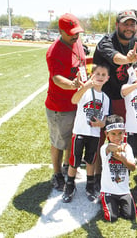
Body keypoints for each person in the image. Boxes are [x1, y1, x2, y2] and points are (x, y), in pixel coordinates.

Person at [92, 9, 137, 191]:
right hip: (101, 97)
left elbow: (132, 69)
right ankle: (96, 176)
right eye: (125, 24)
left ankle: (118, 172)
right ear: (117, 25)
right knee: (98, 138)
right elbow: (116, 58)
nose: (129, 28)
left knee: (119, 136)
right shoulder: (106, 42)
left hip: (121, 97)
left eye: (132, 24)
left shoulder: (136, 42)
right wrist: (127, 58)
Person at [45, 13, 86, 191]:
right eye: (71, 33)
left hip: (77, 103)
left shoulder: (76, 42)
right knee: (59, 142)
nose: (75, 36)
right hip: (60, 105)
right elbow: (56, 78)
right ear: (61, 31)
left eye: (77, 32)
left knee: (72, 140)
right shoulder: (54, 51)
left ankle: (66, 168)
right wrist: (73, 85)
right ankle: (56, 174)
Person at [62, 63, 111, 203]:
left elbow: (105, 117)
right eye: (97, 74)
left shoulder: (105, 98)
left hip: (94, 134)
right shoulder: (85, 91)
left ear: (107, 78)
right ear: (91, 76)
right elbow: (74, 100)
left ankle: (90, 186)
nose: (100, 77)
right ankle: (70, 186)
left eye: (103, 75)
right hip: (80, 131)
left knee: (90, 161)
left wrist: (101, 124)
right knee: (75, 161)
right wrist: (86, 87)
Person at [100, 115, 137, 221]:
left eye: (120, 133)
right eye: (113, 134)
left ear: (124, 132)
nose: (117, 137)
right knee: (112, 218)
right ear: (106, 134)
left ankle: (119, 204)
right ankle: (106, 201)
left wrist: (123, 159)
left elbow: (133, 168)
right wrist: (119, 148)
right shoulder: (104, 148)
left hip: (124, 190)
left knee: (131, 216)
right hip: (108, 191)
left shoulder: (127, 147)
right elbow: (110, 147)